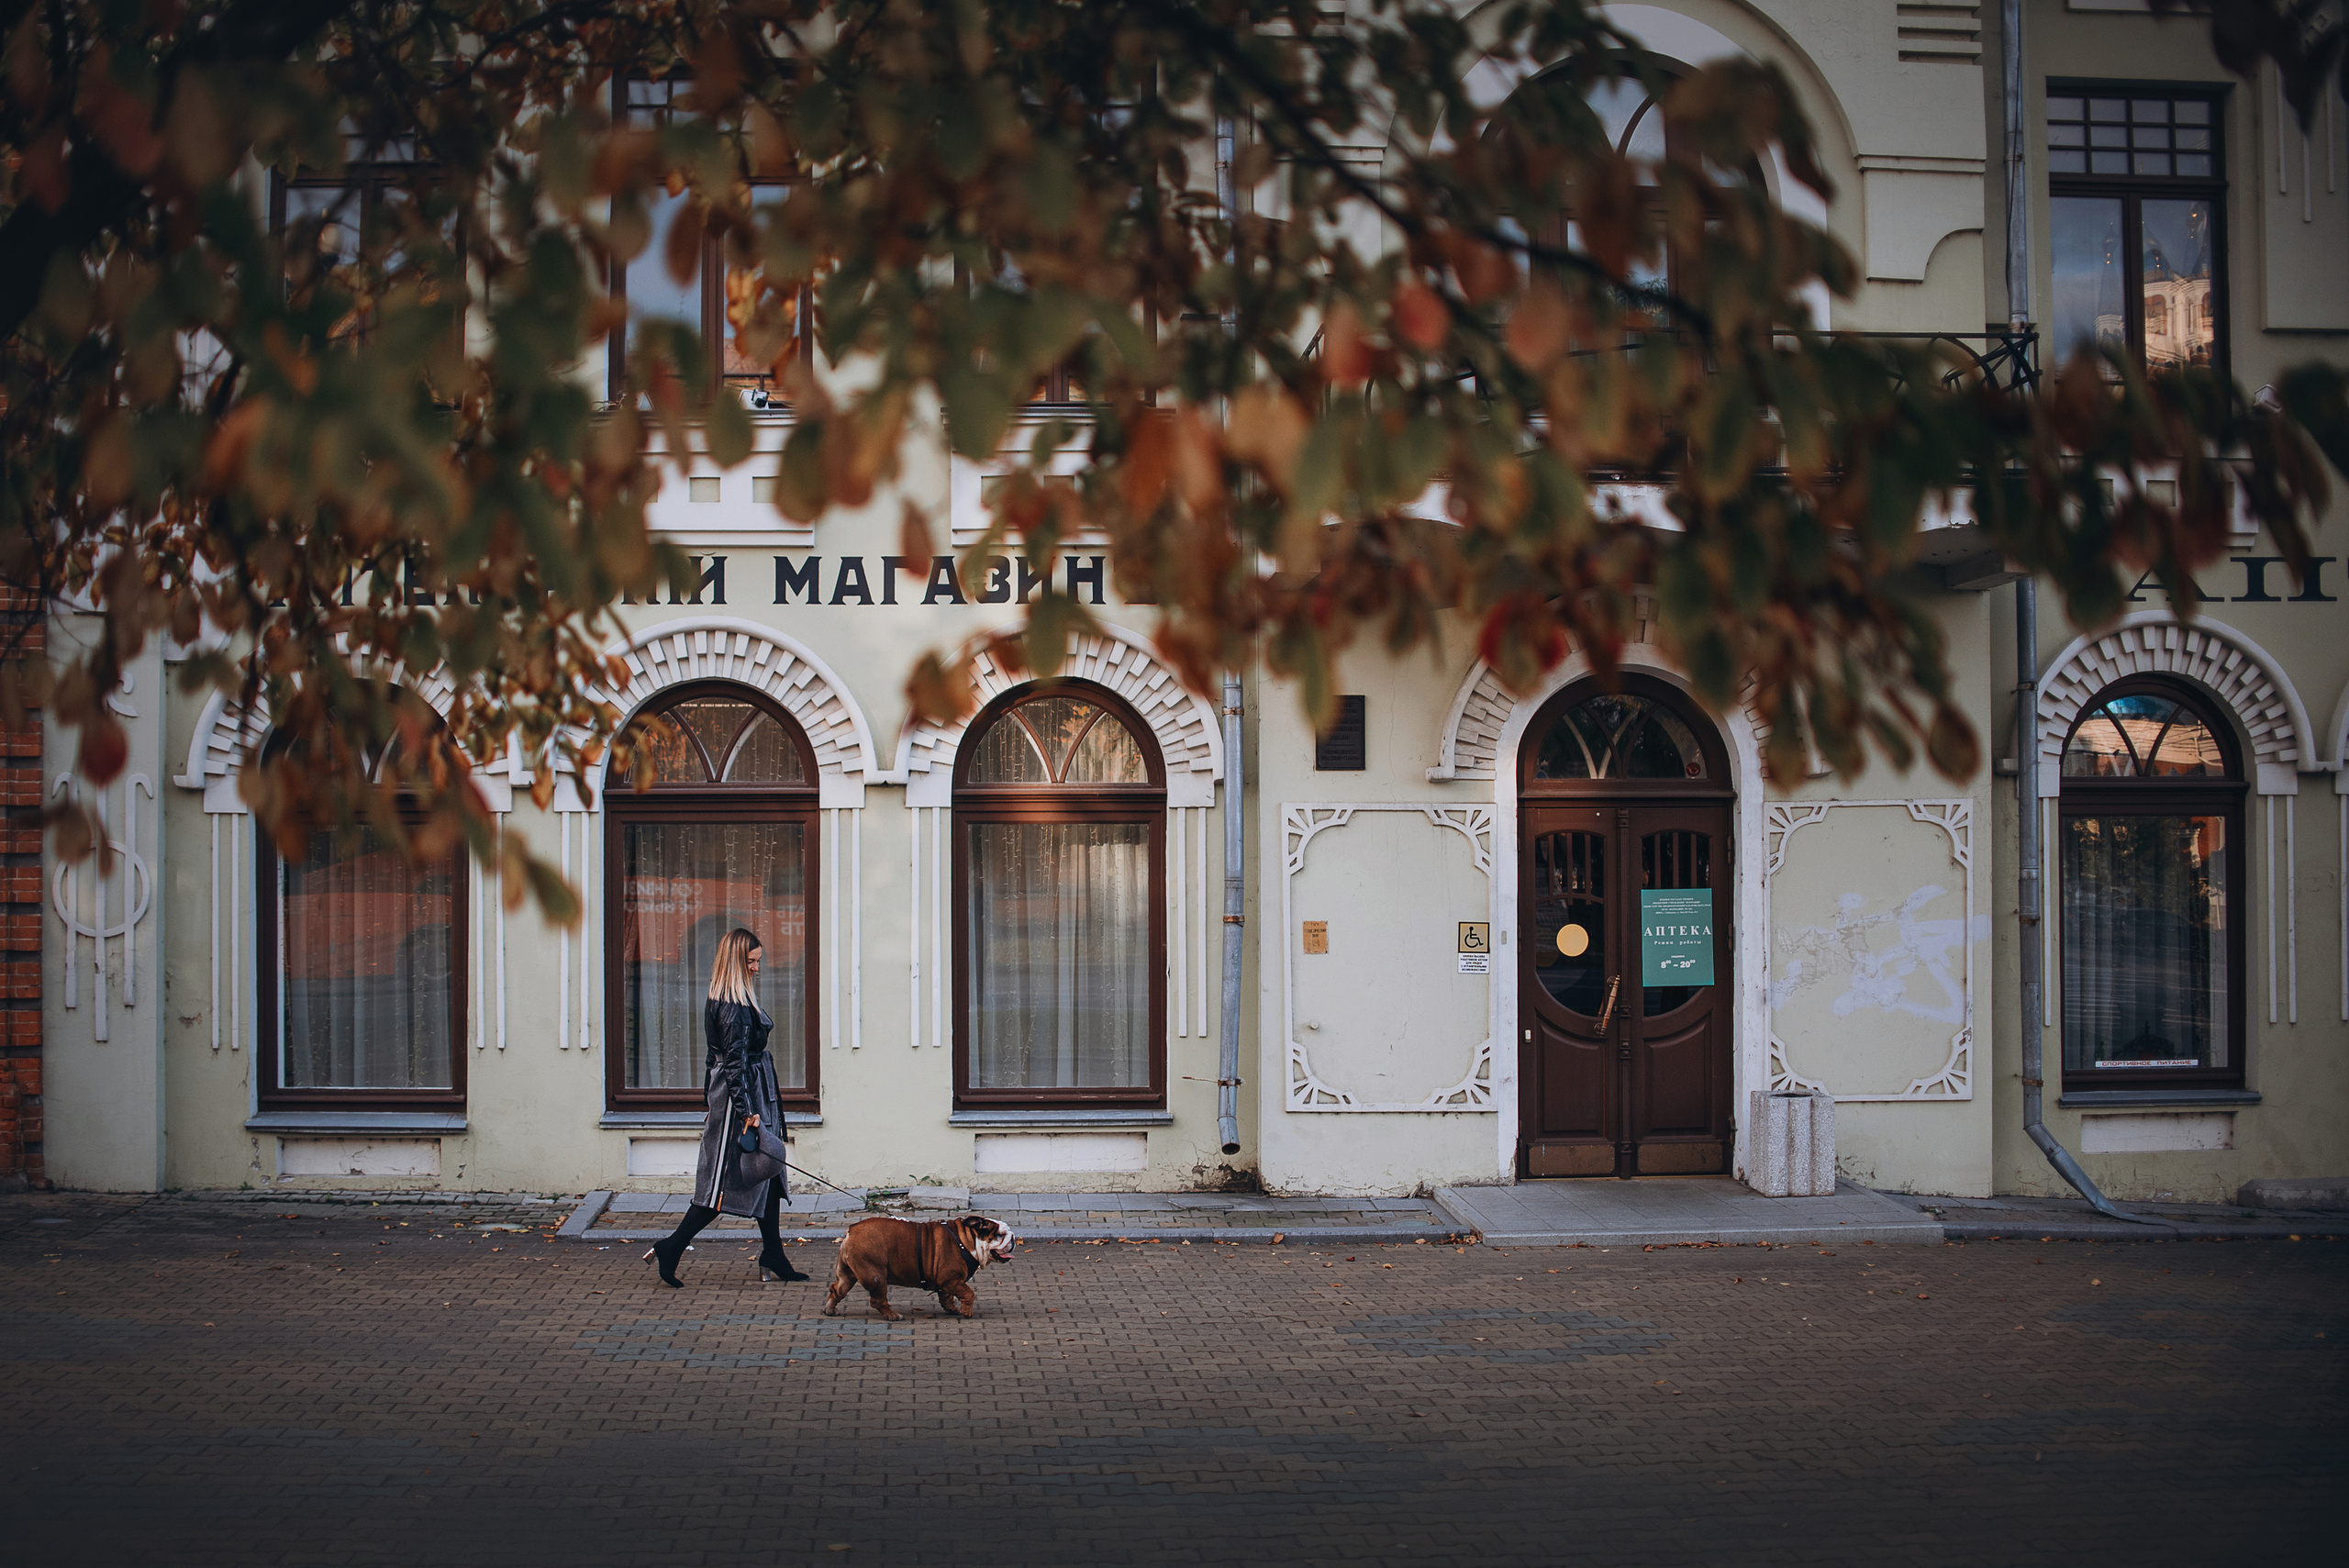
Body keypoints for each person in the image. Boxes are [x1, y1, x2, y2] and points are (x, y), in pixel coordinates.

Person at [644, 927, 811, 1286]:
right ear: (736, 961)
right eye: (751, 961)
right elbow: (731, 1063)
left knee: (766, 1169)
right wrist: (745, 1111)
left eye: (758, 961)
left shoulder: (733, 1000)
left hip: (749, 1092)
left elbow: (713, 1060)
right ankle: (672, 1247)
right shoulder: (731, 1006)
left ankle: (773, 1253)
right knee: (721, 1180)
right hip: (742, 1098)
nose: (756, 968)